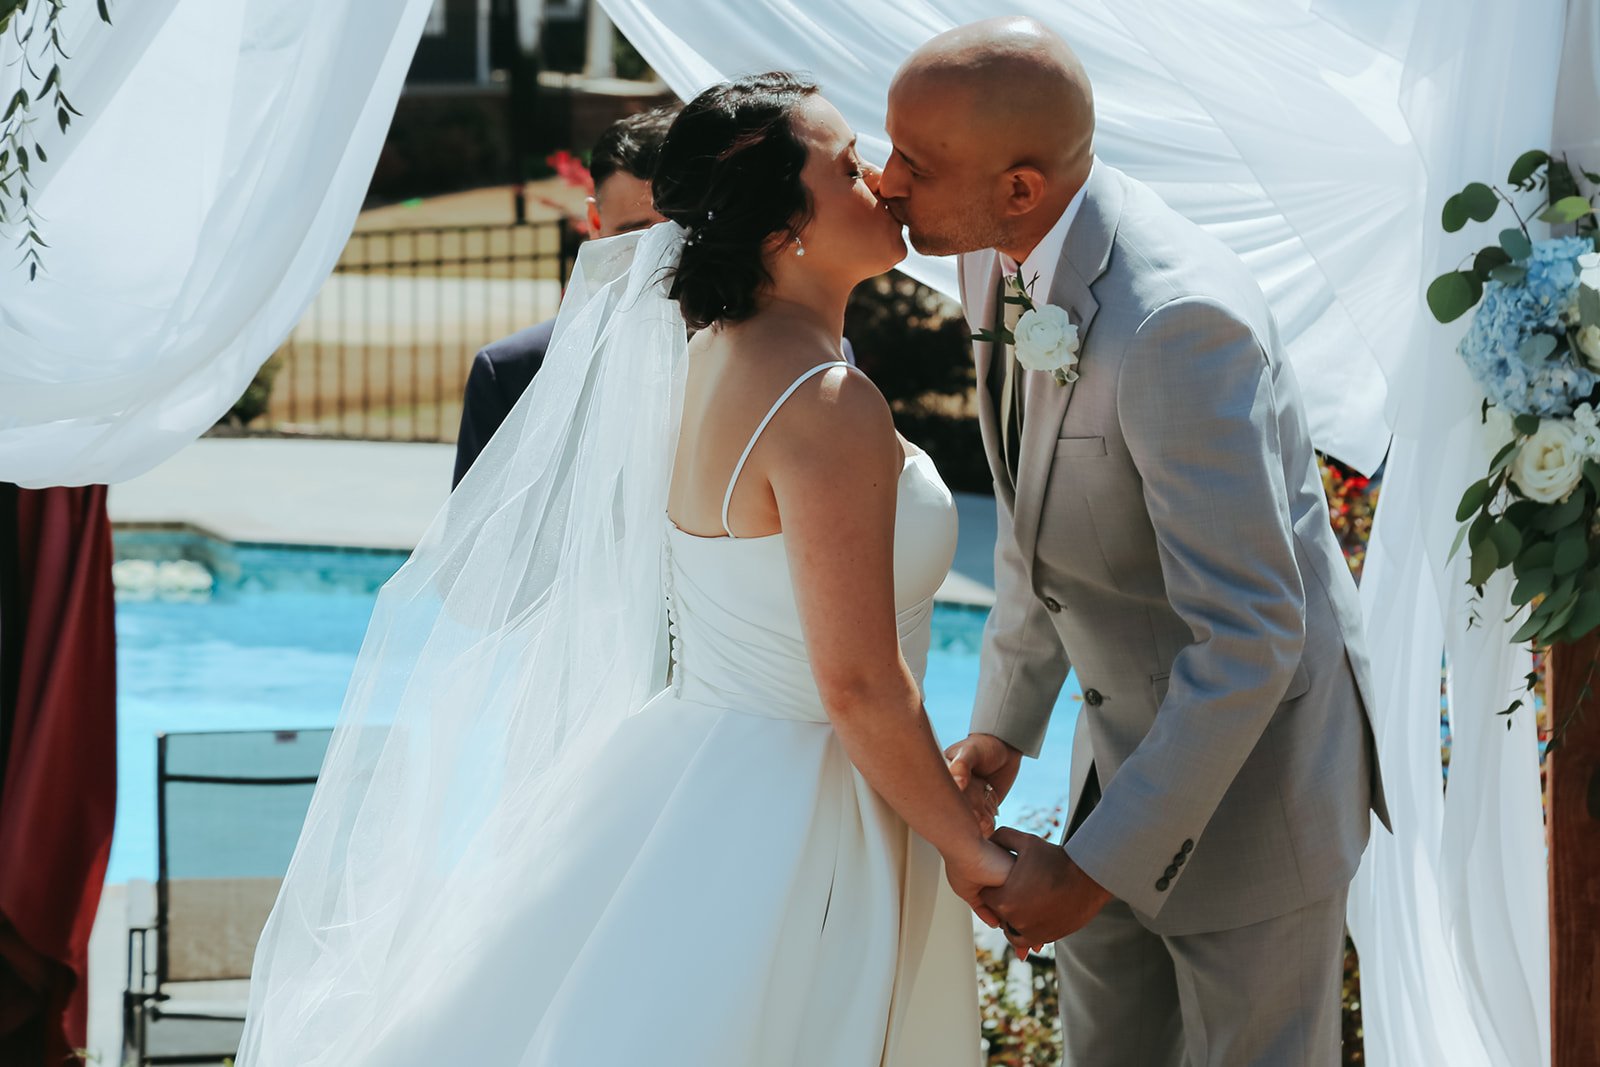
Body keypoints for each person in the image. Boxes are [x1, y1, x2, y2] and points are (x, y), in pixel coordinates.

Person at [236, 73, 1001, 1066]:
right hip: (799, 811)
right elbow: (855, 682)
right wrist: (970, 849)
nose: (882, 183)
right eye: (848, 166)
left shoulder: (716, 354)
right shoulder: (821, 397)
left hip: (697, 769)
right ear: (783, 223)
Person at [881, 18, 1390, 1067]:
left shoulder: (1175, 327)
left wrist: (1089, 870)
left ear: (1020, 187)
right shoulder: (996, 253)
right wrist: (1002, 728)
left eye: (914, 165)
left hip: (1255, 791)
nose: (886, 183)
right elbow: (1037, 511)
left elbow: (1252, 635)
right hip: (1110, 763)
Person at [451, 104, 677, 487]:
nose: (660, 258)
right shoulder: (511, 373)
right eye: (636, 236)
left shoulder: (747, 363)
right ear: (593, 223)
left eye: (676, 234)